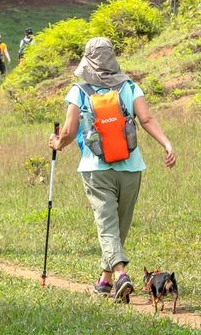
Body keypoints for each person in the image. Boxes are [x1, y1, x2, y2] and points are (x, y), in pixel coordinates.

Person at [47, 37, 176, 304]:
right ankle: (106, 281)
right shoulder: (129, 87)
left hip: (96, 169)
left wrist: (57, 143)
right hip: (131, 168)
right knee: (119, 226)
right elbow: (147, 118)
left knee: (107, 225)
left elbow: (69, 131)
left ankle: (120, 274)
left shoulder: (79, 90)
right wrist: (166, 144)